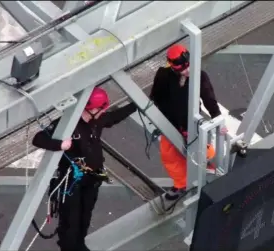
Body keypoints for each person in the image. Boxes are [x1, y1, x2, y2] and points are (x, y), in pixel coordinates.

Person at [32, 87, 137, 251]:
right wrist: (59, 144)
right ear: (91, 109)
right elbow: (38, 138)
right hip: (71, 181)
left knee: (85, 216)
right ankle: (69, 247)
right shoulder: (67, 124)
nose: (103, 112)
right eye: (101, 109)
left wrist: (135, 105)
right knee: (70, 220)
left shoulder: (97, 120)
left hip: (91, 178)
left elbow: (114, 117)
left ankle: (79, 245)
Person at [150, 44, 228, 201]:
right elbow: (155, 96)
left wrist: (218, 119)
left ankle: (212, 171)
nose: (187, 71)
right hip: (170, 123)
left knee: (202, 153)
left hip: (190, 125)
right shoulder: (164, 75)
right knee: (169, 156)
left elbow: (208, 98)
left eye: (189, 66)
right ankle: (182, 183)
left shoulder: (199, 76)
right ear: (173, 67)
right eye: (183, 70)